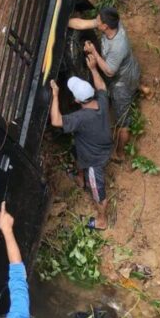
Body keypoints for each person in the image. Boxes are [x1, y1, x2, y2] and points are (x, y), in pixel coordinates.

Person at [68, 7, 141, 162]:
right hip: (129, 68)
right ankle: (144, 89)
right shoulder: (113, 23)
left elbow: (109, 72)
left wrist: (94, 52)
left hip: (122, 82)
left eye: (99, 21)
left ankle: (120, 154)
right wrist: (63, 23)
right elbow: (82, 24)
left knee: (123, 122)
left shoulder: (118, 46)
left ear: (105, 27)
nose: (96, 21)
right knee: (130, 81)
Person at [50, 54, 112, 230]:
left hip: (95, 160)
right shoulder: (101, 101)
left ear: (77, 100)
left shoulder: (81, 118)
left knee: (98, 193)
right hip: (98, 145)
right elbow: (102, 86)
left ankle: (102, 221)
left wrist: (55, 95)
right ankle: (80, 179)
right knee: (76, 152)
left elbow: (56, 121)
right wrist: (93, 69)